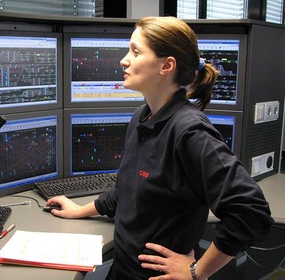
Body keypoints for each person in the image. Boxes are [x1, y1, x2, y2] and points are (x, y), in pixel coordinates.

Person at [46, 16, 273, 280]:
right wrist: (79, 210)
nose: (124, 60)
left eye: (136, 51)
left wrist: (197, 272)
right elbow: (125, 191)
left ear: (167, 66)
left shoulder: (189, 131)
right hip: (122, 271)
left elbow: (250, 212)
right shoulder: (142, 117)